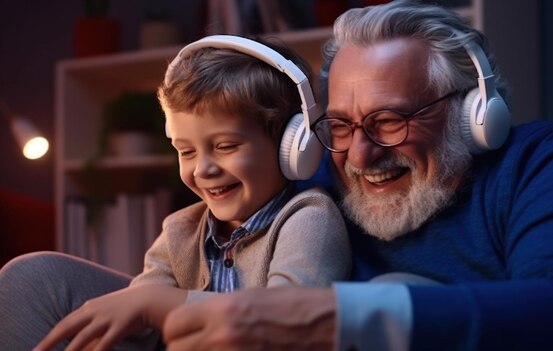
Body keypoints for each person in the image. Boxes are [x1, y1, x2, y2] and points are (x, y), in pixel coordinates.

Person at [160, 1, 553, 350]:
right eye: (340, 125)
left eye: (389, 121)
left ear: (472, 113)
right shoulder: (314, 179)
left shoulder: (542, 162)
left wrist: (344, 316)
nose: (360, 155)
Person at [0, 35, 351, 350]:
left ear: (293, 146)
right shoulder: (181, 229)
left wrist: (166, 304)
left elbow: (290, 326)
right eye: (186, 151)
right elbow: (138, 315)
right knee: (32, 277)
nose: (203, 169)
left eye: (226, 146)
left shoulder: (309, 218)